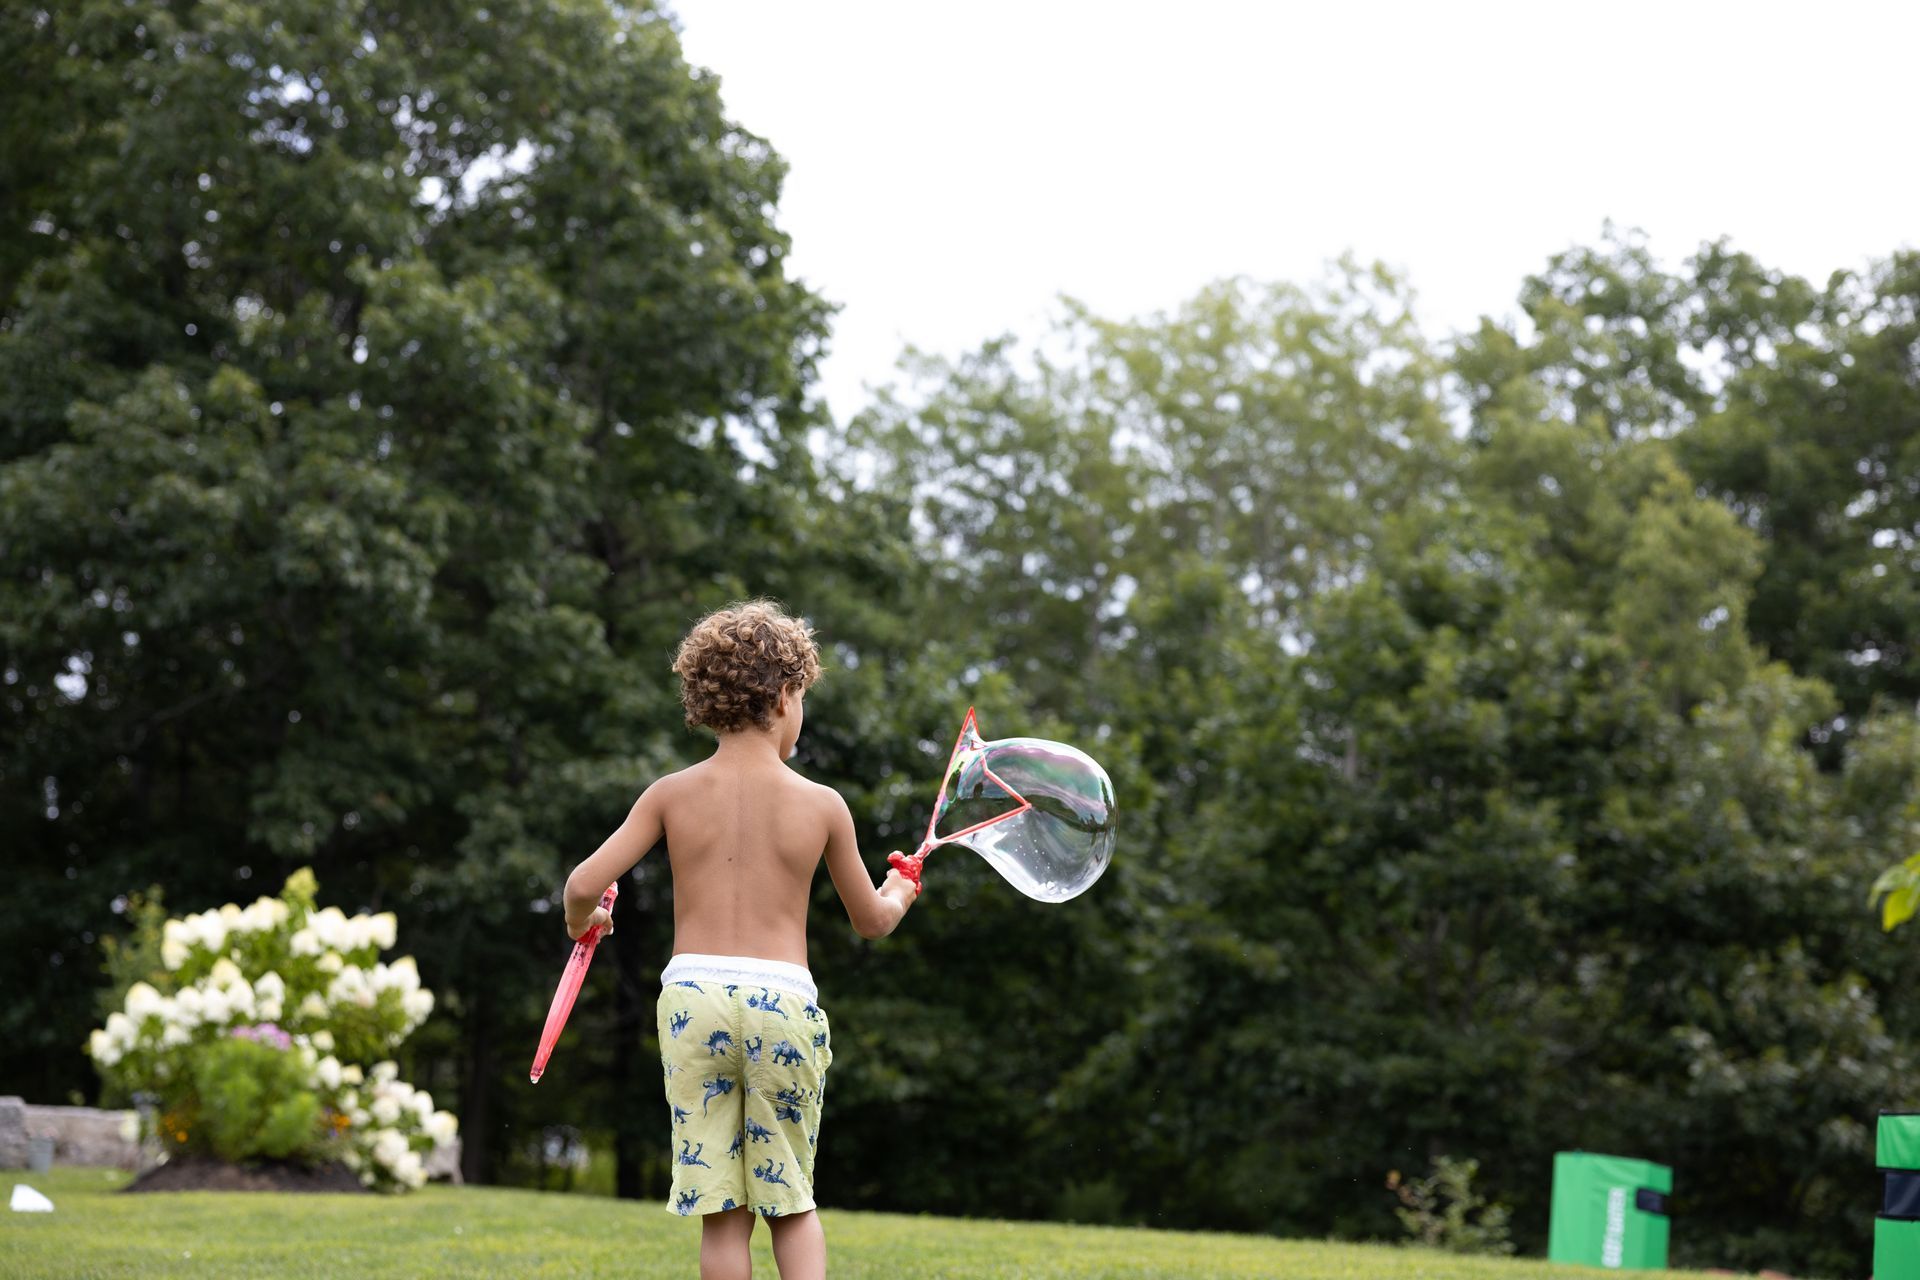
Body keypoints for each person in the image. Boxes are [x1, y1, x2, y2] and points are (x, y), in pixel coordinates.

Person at [563, 599, 919, 1280]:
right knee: (789, 1203)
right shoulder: (823, 805)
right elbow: (872, 920)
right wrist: (902, 885)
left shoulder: (670, 793)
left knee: (723, 1212)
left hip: (693, 999)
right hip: (781, 1001)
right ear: (786, 696)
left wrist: (587, 924)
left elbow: (583, 883)